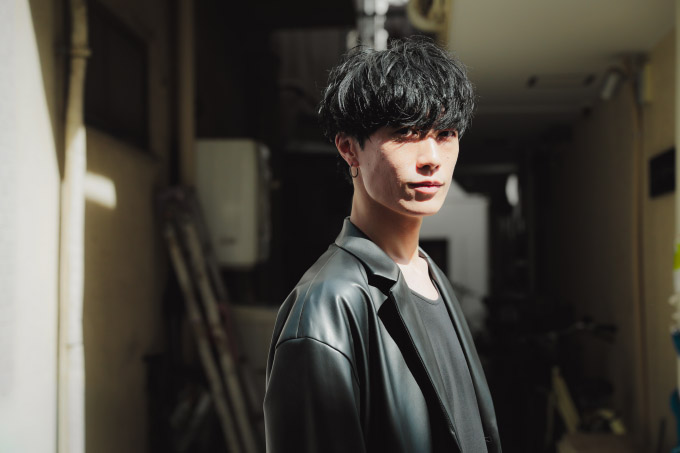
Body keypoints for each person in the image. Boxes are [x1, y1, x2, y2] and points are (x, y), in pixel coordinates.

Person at [263, 37, 501, 453]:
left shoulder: (428, 274)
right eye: (406, 133)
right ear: (349, 149)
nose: (431, 157)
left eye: (445, 133)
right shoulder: (325, 307)